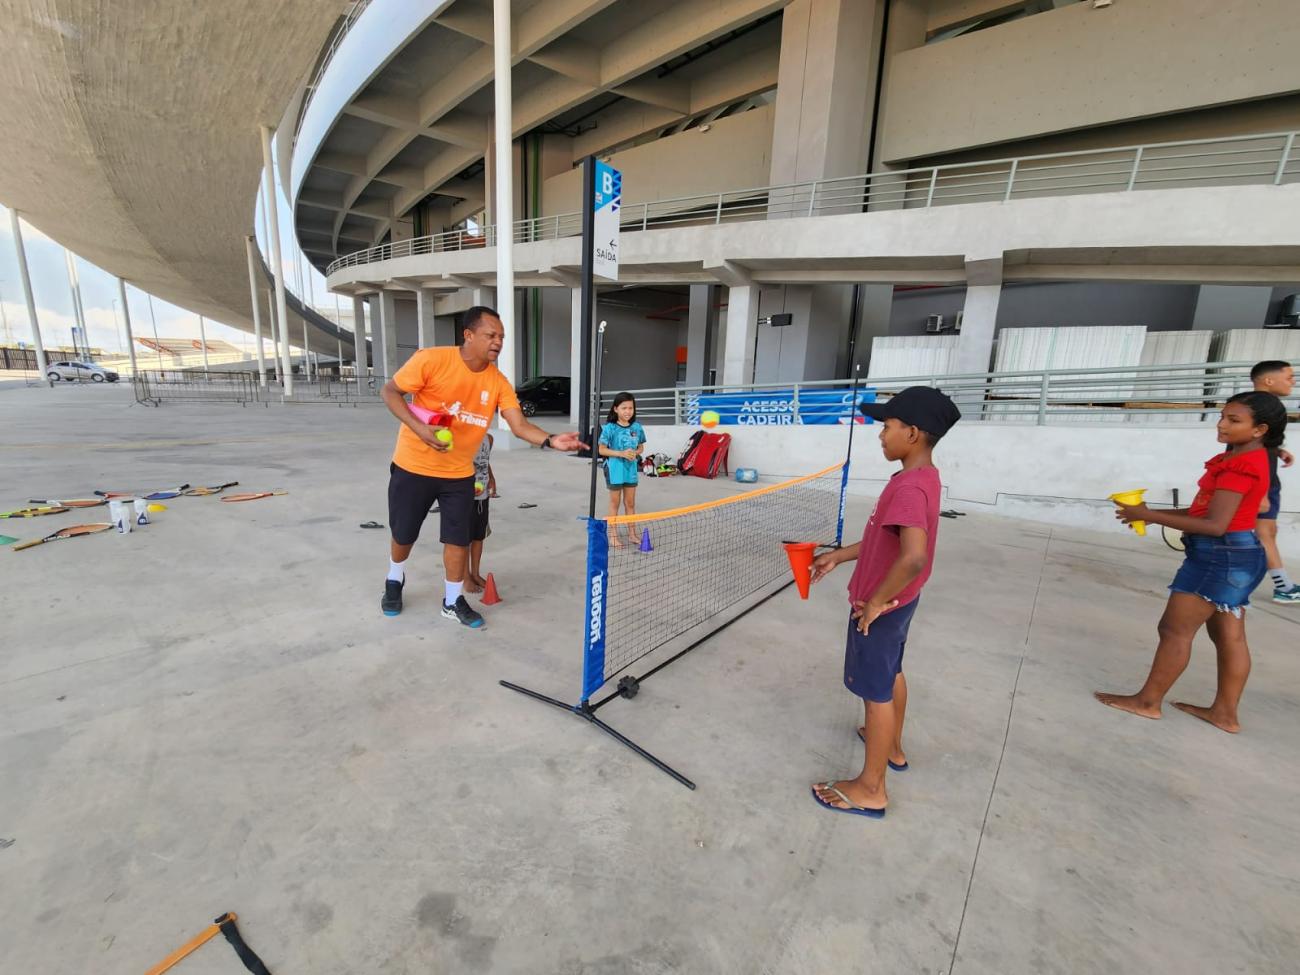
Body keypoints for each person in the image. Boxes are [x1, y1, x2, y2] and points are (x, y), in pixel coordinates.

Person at [806, 386, 961, 819]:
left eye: (888, 427)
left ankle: (871, 788)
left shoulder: (909, 488)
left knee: (875, 695)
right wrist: (840, 555)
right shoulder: (921, 478)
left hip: (881, 608)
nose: (881, 435)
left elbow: (913, 557)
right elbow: (885, 538)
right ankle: (891, 746)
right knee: (891, 673)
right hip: (901, 605)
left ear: (913, 433)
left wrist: (874, 602)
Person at [379, 306, 584, 626]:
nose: (498, 342)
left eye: (501, 336)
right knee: (404, 534)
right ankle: (395, 578)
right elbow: (390, 391)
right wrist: (419, 428)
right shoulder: (432, 360)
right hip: (413, 465)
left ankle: (452, 600)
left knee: (458, 540)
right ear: (469, 335)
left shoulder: (498, 382)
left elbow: (518, 424)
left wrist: (550, 439)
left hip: (460, 473)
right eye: (491, 335)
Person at [1096, 392, 1287, 733]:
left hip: (1219, 557)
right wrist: (1151, 515)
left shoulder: (1240, 466)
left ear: (1260, 429)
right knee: (1230, 637)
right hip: (1239, 555)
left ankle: (1147, 702)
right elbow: (1207, 512)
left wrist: (1149, 513)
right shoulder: (1249, 458)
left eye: (1234, 420)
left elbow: (1215, 525)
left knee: (1174, 631)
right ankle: (1225, 714)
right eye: (1223, 416)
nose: (1222, 424)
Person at [1249, 360, 1297, 604]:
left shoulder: (1255, 404)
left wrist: (1277, 450)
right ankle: (1284, 587)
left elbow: (1254, 441)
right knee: (1264, 532)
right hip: (1262, 480)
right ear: (1268, 380)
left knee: (1266, 531)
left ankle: (1283, 584)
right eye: (1289, 377)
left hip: (1263, 478)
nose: (1293, 382)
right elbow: (1248, 444)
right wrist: (1261, 491)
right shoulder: (1265, 406)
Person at [598, 392, 646, 548]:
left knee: (630, 503)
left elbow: (641, 447)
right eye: (624, 408)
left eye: (630, 408)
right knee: (615, 503)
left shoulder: (637, 427)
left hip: (630, 469)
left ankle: (632, 534)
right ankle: (612, 535)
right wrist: (621, 453)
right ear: (616, 409)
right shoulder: (609, 428)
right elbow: (602, 450)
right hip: (614, 469)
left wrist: (635, 453)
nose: (627, 411)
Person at [463, 433, 496, 594]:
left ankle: (475, 573)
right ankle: (465, 577)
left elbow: (485, 462)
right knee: (462, 539)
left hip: (482, 495)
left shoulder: (488, 439)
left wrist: (491, 478)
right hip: (462, 495)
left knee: (478, 536)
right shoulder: (461, 438)